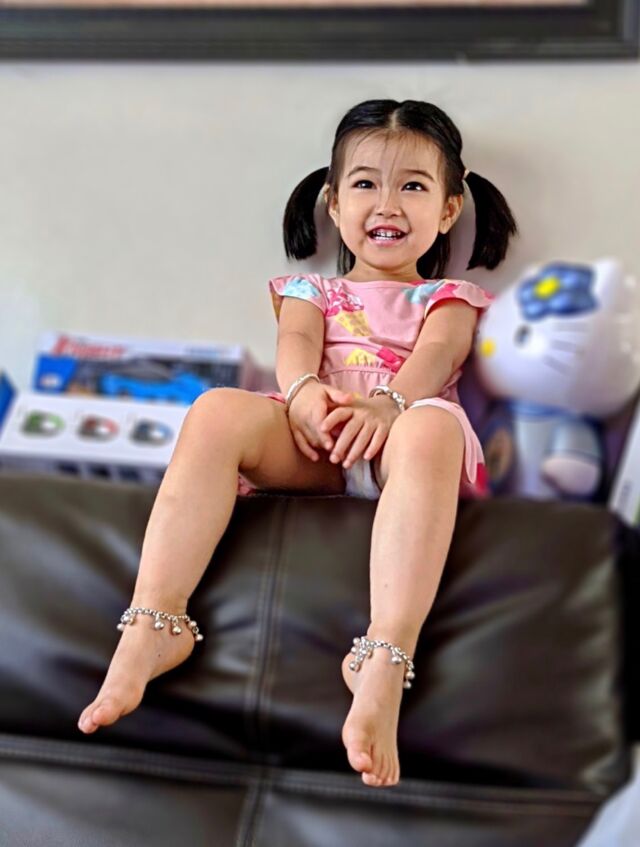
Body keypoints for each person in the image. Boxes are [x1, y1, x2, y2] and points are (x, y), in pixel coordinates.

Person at [77, 98, 518, 789]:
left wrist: (389, 404)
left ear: (449, 209)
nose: (388, 203)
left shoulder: (450, 297)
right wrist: (307, 395)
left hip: (405, 438)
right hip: (318, 439)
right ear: (335, 205)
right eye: (366, 183)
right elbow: (296, 346)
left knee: (430, 425)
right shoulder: (311, 290)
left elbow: (438, 357)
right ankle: (154, 620)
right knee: (216, 409)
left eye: (413, 186)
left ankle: (383, 657)